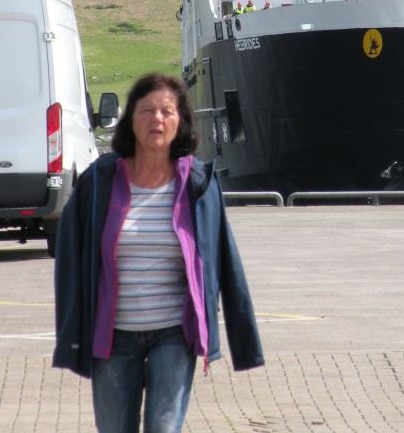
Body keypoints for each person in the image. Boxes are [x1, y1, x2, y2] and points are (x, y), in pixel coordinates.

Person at [53, 73, 264, 433]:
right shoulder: (98, 183)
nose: (157, 119)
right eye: (147, 110)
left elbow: (226, 264)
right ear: (130, 119)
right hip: (113, 335)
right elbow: (70, 265)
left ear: (180, 121)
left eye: (167, 111)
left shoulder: (198, 184)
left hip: (174, 334)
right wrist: (71, 334)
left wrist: (243, 343)